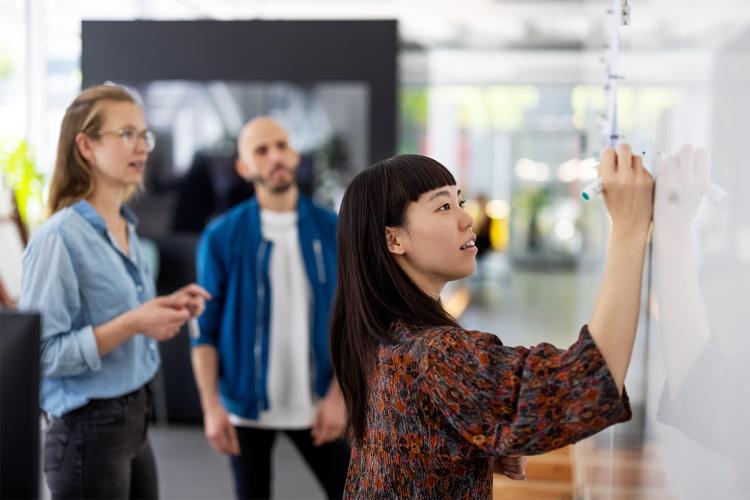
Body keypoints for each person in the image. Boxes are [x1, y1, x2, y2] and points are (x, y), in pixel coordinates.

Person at [330, 146, 654, 498]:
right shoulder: (438, 353)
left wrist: (468, 444)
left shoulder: (382, 333)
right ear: (394, 239)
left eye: (460, 202)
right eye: (443, 206)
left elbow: (403, 448)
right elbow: (589, 378)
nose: (467, 220)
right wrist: (630, 228)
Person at [20, 84, 210, 499]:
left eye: (144, 135)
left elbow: (122, 318)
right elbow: (39, 355)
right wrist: (133, 323)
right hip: (88, 428)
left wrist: (159, 310)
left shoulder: (125, 226)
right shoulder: (58, 239)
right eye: (126, 134)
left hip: (134, 416)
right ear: (85, 146)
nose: (141, 147)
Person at [191, 116, 350, 499]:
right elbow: (204, 329)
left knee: (354, 492)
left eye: (281, 145)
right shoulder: (221, 236)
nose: (275, 156)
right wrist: (212, 407)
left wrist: (338, 395)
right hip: (245, 406)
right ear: (244, 167)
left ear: (294, 154)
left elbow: (354, 323)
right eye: (261, 150)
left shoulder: (334, 229)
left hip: (318, 403)